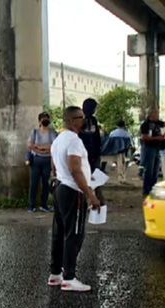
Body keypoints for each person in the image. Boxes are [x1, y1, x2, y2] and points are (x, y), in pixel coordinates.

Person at [48, 106, 101, 293]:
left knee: (59, 232)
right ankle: (69, 278)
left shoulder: (58, 140)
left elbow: (55, 167)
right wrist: (90, 193)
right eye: (81, 117)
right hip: (73, 191)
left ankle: (56, 274)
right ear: (72, 120)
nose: (84, 120)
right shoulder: (74, 141)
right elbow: (75, 168)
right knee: (74, 234)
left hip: (61, 188)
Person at [26, 111, 57, 212]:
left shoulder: (52, 132)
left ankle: (44, 205)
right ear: (39, 121)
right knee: (34, 184)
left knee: (46, 184)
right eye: (43, 119)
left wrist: (39, 147)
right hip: (36, 161)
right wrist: (44, 148)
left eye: (46, 119)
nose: (45, 121)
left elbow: (54, 146)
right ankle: (31, 205)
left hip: (48, 161)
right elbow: (30, 145)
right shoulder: (34, 132)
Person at [139, 108, 165, 196]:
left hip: (157, 148)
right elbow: (144, 137)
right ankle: (146, 190)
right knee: (149, 170)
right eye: (156, 114)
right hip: (149, 148)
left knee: (155, 170)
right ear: (151, 115)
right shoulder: (145, 125)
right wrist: (157, 138)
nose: (157, 115)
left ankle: (153, 188)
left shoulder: (157, 123)